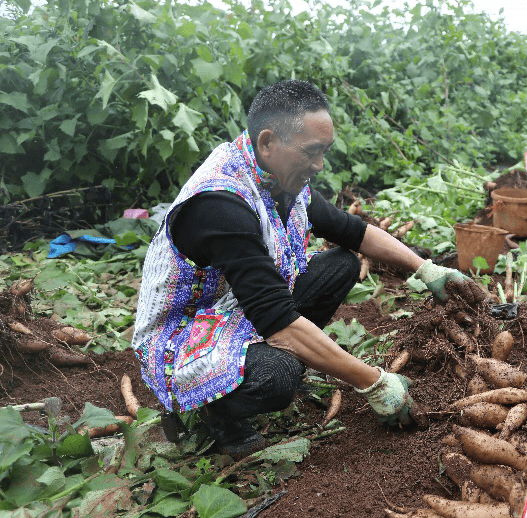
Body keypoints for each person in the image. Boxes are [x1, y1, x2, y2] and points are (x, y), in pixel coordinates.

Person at [133, 79, 484, 458]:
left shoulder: (277, 174)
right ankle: (212, 413)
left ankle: (275, 359)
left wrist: (426, 268)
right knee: (278, 375)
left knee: (341, 265)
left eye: (324, 152)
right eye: (311, 153)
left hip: (233, 310)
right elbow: (276, 318)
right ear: (267, 142)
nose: (318, 166)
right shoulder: (219, 203)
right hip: (181, 339)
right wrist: (374, 383)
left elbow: (352, 231)